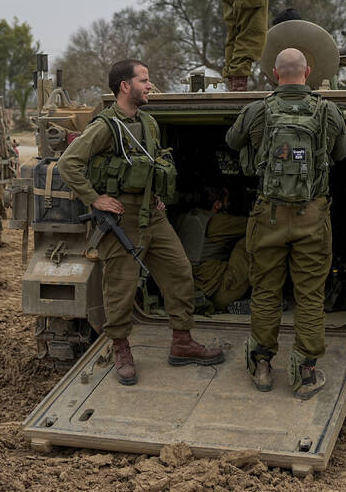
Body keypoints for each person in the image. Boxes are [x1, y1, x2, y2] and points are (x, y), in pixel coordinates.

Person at [56, 59, 225, 385]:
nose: (150, 86)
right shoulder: (105, 126)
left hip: (153, 213)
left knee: (179, 271)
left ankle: (182, 342)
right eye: (144, 80)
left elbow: (152, 164)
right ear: (125, 86)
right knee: (120, 288)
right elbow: (69, 163)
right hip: (121, 217)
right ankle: (121, 349)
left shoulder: (148, 123)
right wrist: (95, 198)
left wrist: (156, 194)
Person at [226, 48, 346, 398]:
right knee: (310, 295)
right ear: (308, 72)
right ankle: (305, 374)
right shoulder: (329, 111)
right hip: (312, 215)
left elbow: (232, 141)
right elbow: (340, 155)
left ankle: (263, 366)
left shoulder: (256, 110)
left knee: (265, 291)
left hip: (268, 216)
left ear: (274, 75)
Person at [179, 186, 251, 312]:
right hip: (219, 296)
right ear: (217, 205)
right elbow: (254, 224)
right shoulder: (218, 222)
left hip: (188, 292)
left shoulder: (183, 218)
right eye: (227, 201)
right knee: (250, 240)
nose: (229, 204)